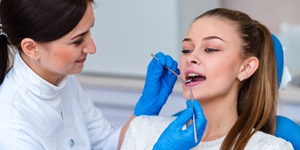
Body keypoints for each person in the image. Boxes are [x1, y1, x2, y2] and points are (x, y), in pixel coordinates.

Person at [0, 0, 205, 149]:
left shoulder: (63, 80)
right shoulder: (11, 129)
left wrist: (144, 113)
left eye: (90, 30)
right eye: (78, 40)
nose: (92, 47)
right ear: (31, 48)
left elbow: (108, 143)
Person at [121, 8, 294, 149]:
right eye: (187, 50)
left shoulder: (270, 148)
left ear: (246, 68)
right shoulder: (142, 130)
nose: (191, 58)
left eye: (210, 49)